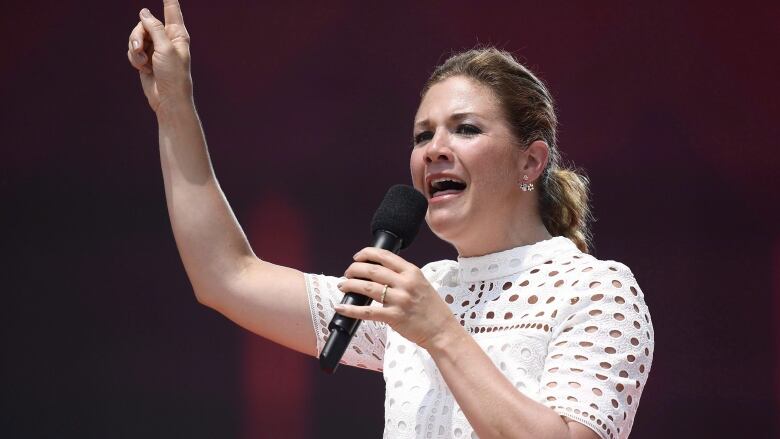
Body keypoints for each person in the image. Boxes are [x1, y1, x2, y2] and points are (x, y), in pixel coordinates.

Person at [126, 2, 654, 438]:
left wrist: (439, 332)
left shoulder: (595, 287)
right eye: (423, 136)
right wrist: (174, 105)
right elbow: (226, 274)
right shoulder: (418, 294)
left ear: (531, 161)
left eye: (464, 129)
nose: (435, 151)